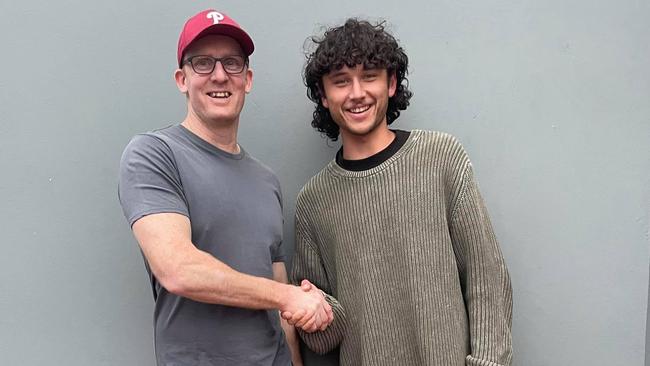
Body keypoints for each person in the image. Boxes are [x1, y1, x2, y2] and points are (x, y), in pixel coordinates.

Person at [287, 18, 513, 365]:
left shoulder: (440, 158)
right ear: (323, 95)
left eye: (370, 76)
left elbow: (487, 278)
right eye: (341, 81)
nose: (357, 92)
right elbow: (325, 339)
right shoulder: (313, 202)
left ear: (391, 83)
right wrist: (313, 312)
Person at [118, 9, 332, 366]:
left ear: (247, 79)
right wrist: (288, 296)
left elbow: (281, 311)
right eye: (203, 63)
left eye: (231, 63)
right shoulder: (153, 155)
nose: (219, 75)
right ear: (181, 79)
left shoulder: (267, 181)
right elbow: (178, 270)